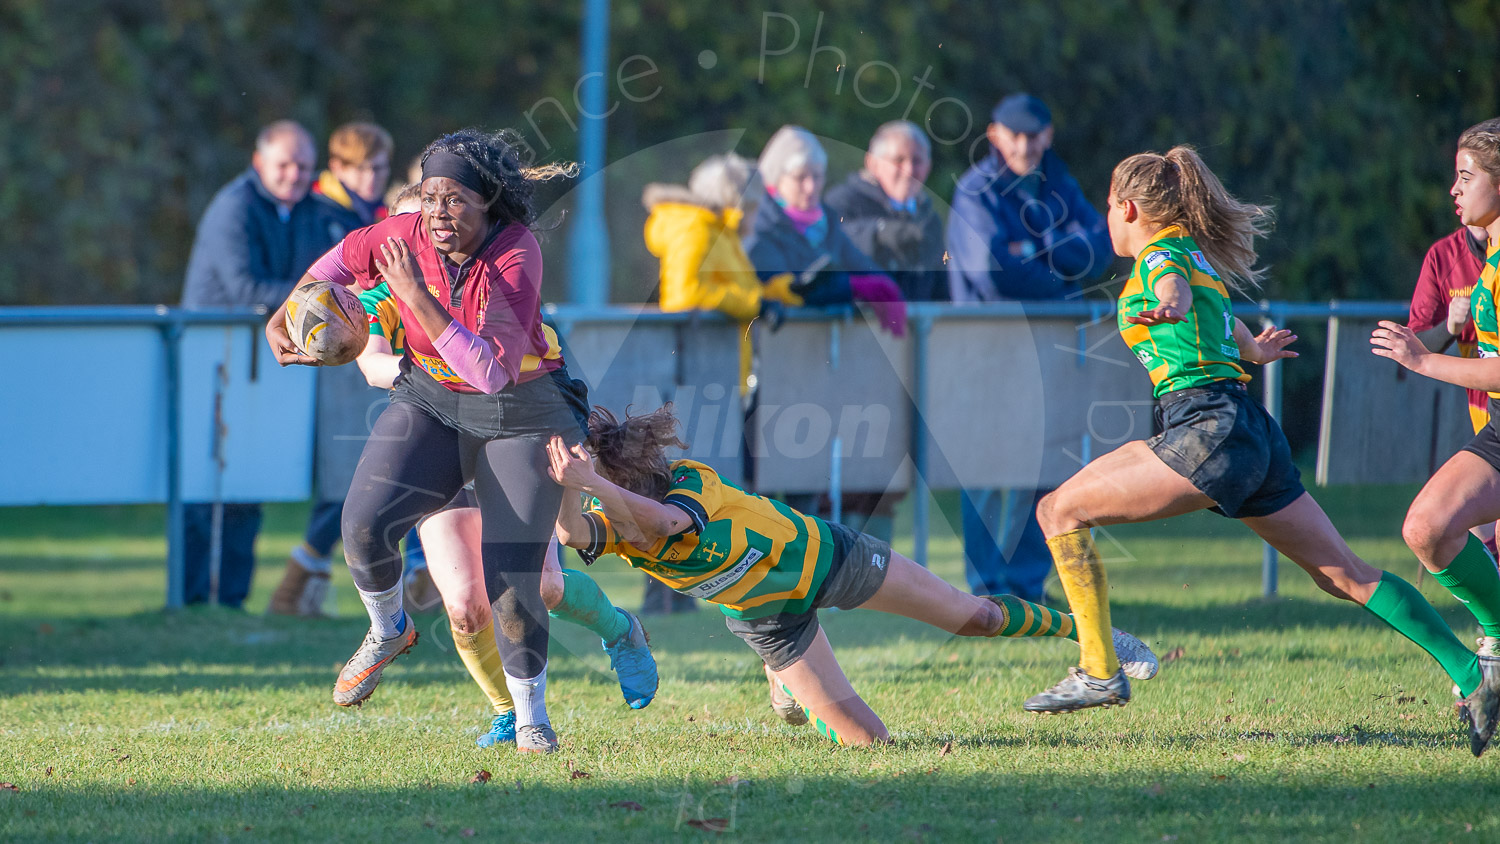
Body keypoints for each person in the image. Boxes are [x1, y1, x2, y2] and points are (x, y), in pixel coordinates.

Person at [1029, 143, 1500, 759]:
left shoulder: (1161, 255)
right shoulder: (1191, 252)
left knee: (1057, 511)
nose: (1106, 220)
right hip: (1246, 429)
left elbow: (1173, 289)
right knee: (1346, 575)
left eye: (1108, 208)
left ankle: (1099, 670)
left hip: (1205, 426)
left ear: (1127, 208)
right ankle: (1474, 676)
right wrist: (1255, 350)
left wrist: (1167, 303)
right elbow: (1222, 322)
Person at [545, 405, 1158, 746]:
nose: (601, 506)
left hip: (830, 559)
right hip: (769, 619)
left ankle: (1091, 635)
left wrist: (591, 482)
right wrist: (571, 488)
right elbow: (571, 534)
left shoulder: (689, 482)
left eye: (603, 491)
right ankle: (782, 675)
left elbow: (664, 524)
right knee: (871, 745)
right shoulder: (611, 526)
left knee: (975, 617)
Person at [266, 127, 584, 754]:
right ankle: (389, 628)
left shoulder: (515, 252)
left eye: (456, 199)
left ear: (489, 201)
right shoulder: (401, 234)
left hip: (519, 409)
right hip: (434, 399)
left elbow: (490, 373)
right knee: (363, 523)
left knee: (514, 575)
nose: (438, 212)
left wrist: (414, 293)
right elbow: (333, 265)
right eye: (430, 196)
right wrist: (283, 315)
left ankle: (531, 718)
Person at [350, 267, 658, 747]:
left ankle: (620, 630)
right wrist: (442, 374)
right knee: (465, 607)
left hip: (516, 428)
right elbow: (372, 365)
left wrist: (458, 370)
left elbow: (522, 364)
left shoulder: (492, 274)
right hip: (440, 439)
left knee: (542, 587)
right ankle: (511, 713)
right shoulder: (380, 295)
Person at [180, 119, 357, 610]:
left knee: (248, 479)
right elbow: (245, 290)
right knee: (204, 485)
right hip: (213, 362)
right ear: (259, 162)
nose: (295, 174)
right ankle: (191, 600)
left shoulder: (313, 210)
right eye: (285, 164)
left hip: (264, 363)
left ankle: (231, 601)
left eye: (304, 165)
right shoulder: (233, 207)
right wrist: (323, 301)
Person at [945, 93, 1113, 605]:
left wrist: (1033, 253)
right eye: (1015, 135)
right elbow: (991, 273)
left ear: (1049, 134)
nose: (1025, 145)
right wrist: (1061, 267)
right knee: (988, 468)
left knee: (1046, 465)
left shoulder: (1059, 182)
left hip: (1050, 349)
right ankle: (988, 591)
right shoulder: (976, 190)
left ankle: (1027, 586)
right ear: (995, 135)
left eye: (1034, 135)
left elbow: (1102, 247)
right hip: (989, 353)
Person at [1371, 119, 1500, 756]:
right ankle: (1495, 651)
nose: (1454, 189)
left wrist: (1424, 361)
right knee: (1426, 528)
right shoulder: (1485, 259)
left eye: (1466, 177)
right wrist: (1424, 344)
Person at [640, 153, 804, 614]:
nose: (757, 213)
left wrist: (778, 293)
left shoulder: (718, 230)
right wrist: (752, 302)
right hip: (692, 374)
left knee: (697, 484)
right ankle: (665, 595)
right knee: (682, 483)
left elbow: (726, 288)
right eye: (752, 203)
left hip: (714, 373)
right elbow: (684, 295)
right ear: (735, 199)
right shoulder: (696, 228)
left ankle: (680, 594)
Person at [744, 125, 907, 541]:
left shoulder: (825, 224)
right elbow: (792, 287)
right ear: (776, 180)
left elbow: (860, 268)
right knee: (762, 489)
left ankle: (804, 568)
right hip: (770, 374)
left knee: (806, 485)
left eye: (817, 176)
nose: (812, 186)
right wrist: (855, 287)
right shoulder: (759, 229)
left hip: (815, 376)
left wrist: (876, 283)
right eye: (800, 177)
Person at [269, 122, 399, 617]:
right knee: (349, 476)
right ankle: (298, 581)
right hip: (325, 361)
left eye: (379, 169)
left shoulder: (375, 213)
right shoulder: (318, 212)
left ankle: (305, 581)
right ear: (338, 168)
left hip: (363, 351)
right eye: (362, 169)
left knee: (369, 473)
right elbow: (313, 283)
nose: (372, 178)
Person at [824, 120, 946, 302]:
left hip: (916, 317)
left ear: (928, 166)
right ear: (873, 164)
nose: (909, 170)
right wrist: (878, 232)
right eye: (898, 160)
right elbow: (832, 245)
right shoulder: (842, 202)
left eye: (917, 160)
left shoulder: (929, 217)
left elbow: (941, 287)